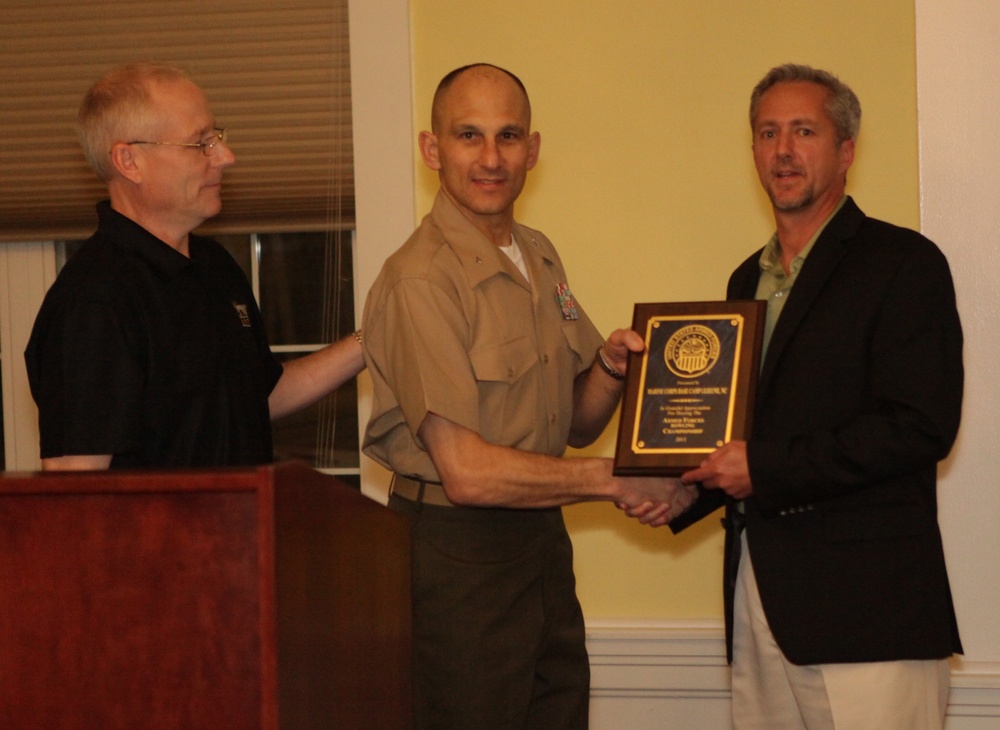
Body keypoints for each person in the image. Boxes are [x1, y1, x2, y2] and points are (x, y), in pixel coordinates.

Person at [361, 63, 694, 729]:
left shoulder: (537, 254)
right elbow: (467, 472)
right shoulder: (420, 278)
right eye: (468, 136)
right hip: (459, 554)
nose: (490, 158)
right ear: (433, 151)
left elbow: (574, 422)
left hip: (539, 539)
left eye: (508, 136)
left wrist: (611, 366)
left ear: (533, 150)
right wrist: (617, 480)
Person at [675, 64, 964, 729]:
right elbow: (746, 436)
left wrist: (762, 469)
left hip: (870, 616)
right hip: (759, 601)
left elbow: (919, 426)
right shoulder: (746, 280)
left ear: (846, 151)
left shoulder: (904, 264)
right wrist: (680, 487)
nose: (782, 150)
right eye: (767, 132)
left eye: (804, 131)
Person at [24, 62, 364, 470]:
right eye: (200, 143)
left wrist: (370, 341)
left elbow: (259, 395)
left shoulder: (214, 266)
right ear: (129, 161)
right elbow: (76, 491)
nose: (226, 157)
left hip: (242, 531)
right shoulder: (94, 302)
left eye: (217, 137)